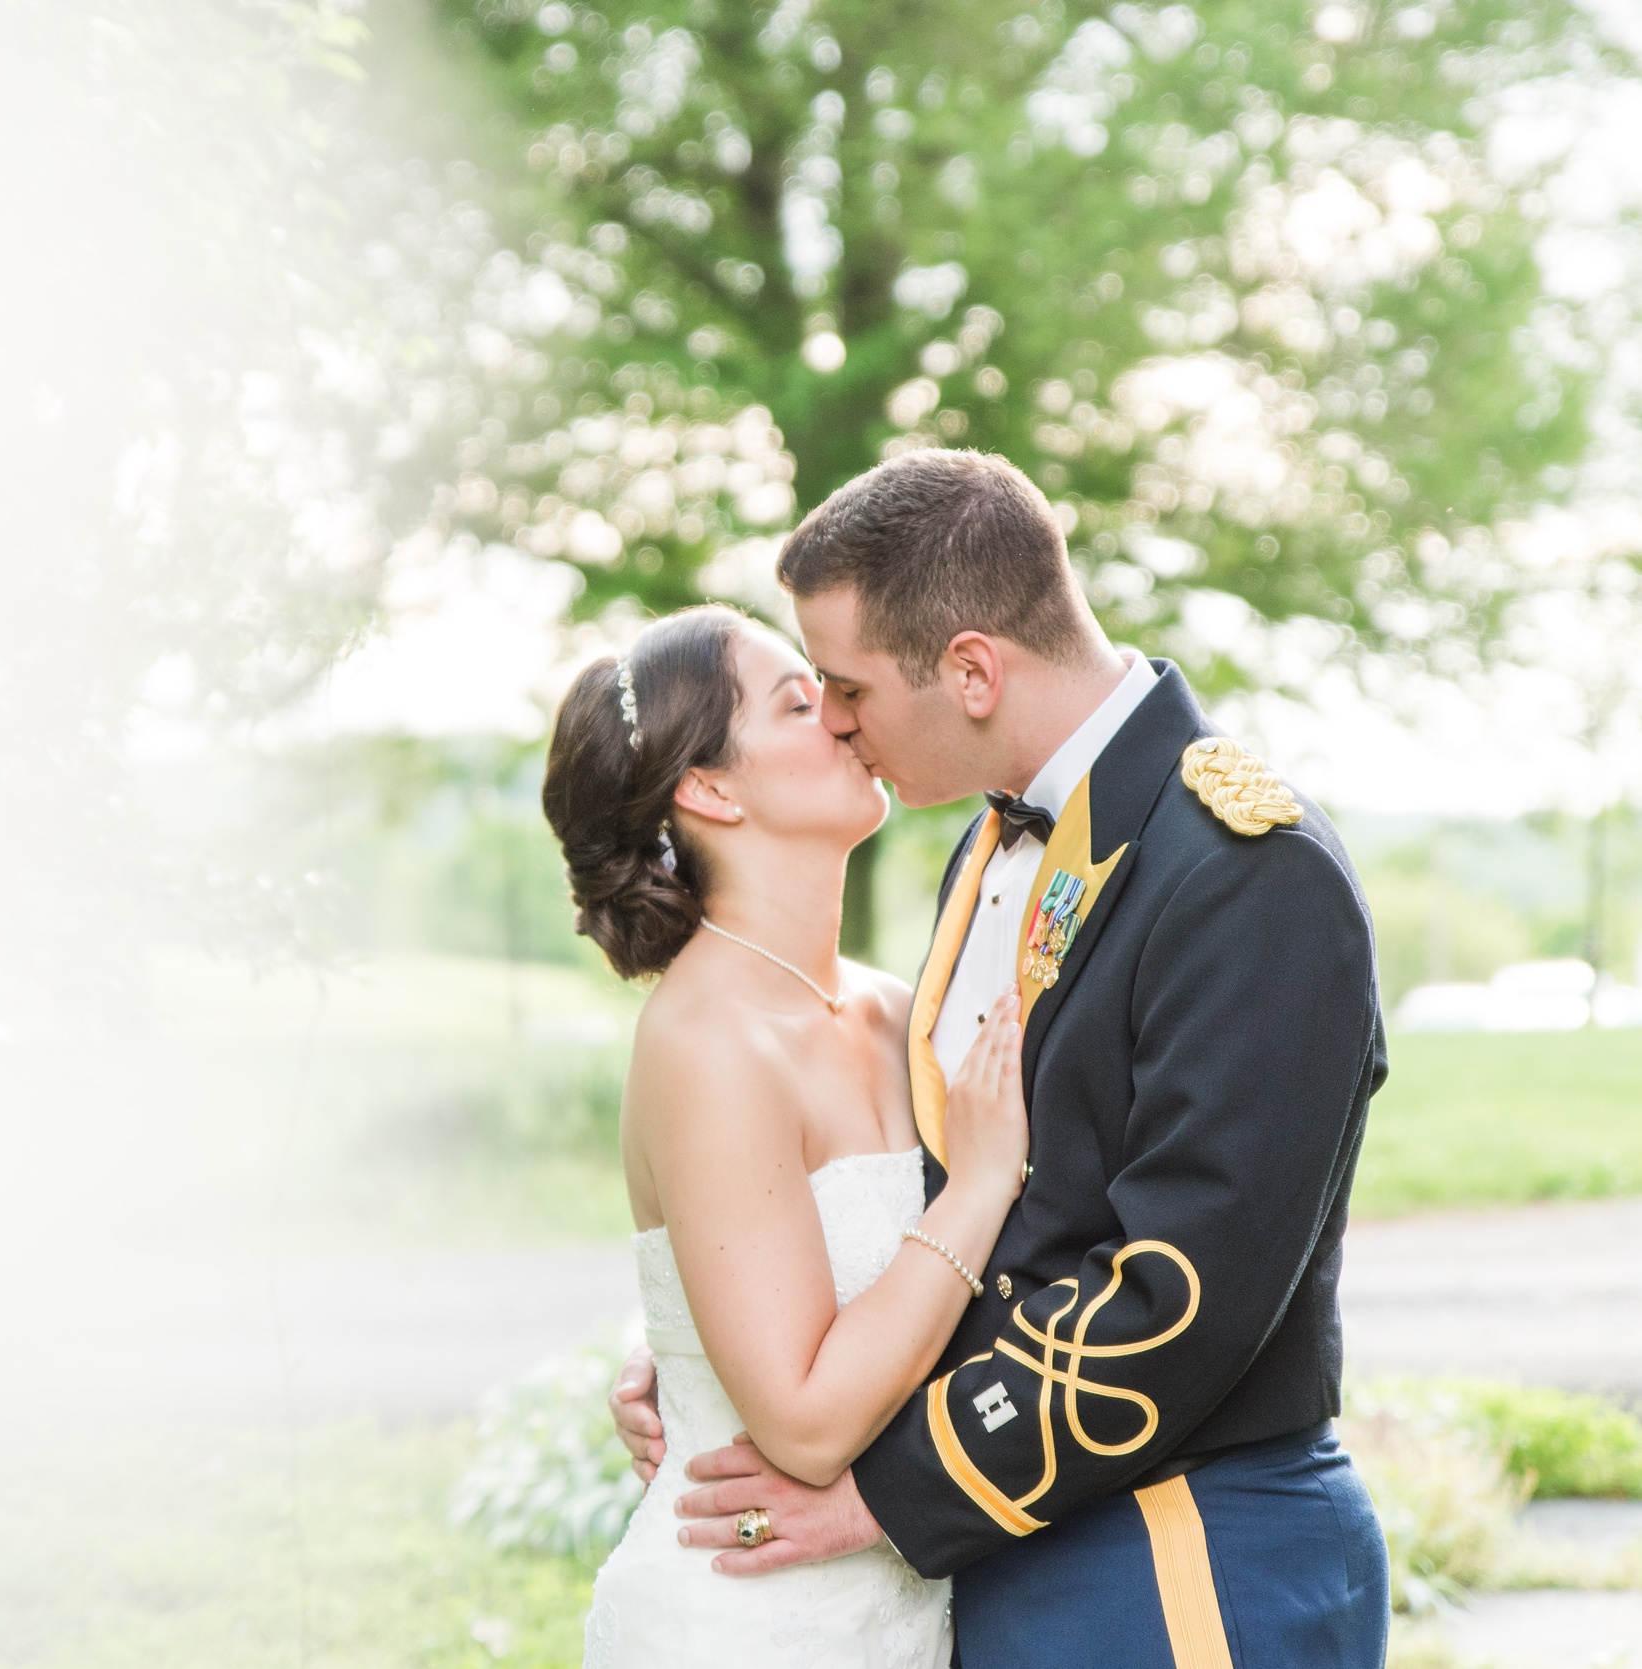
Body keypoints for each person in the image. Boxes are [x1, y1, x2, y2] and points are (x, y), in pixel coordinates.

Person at [610, 450, 1390, 1668]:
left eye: (848, 686)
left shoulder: (1246, 871)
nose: (842, 722)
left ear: (971, 669)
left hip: (1179, 1555)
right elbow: (949, 1191)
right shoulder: (987, 848)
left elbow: (1178, 1295)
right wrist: (728, 1341)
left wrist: (882, 1494)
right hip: (995, 1559)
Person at [542, 603, 1033, 1667]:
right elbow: (804, 1423)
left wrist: (674, 1343)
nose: (847, 722)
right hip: (743, 1619)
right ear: (709, 789)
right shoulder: (708, 1039)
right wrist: (977, 1186)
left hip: (902, 1610)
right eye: (801, 704)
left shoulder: (900, 1007)